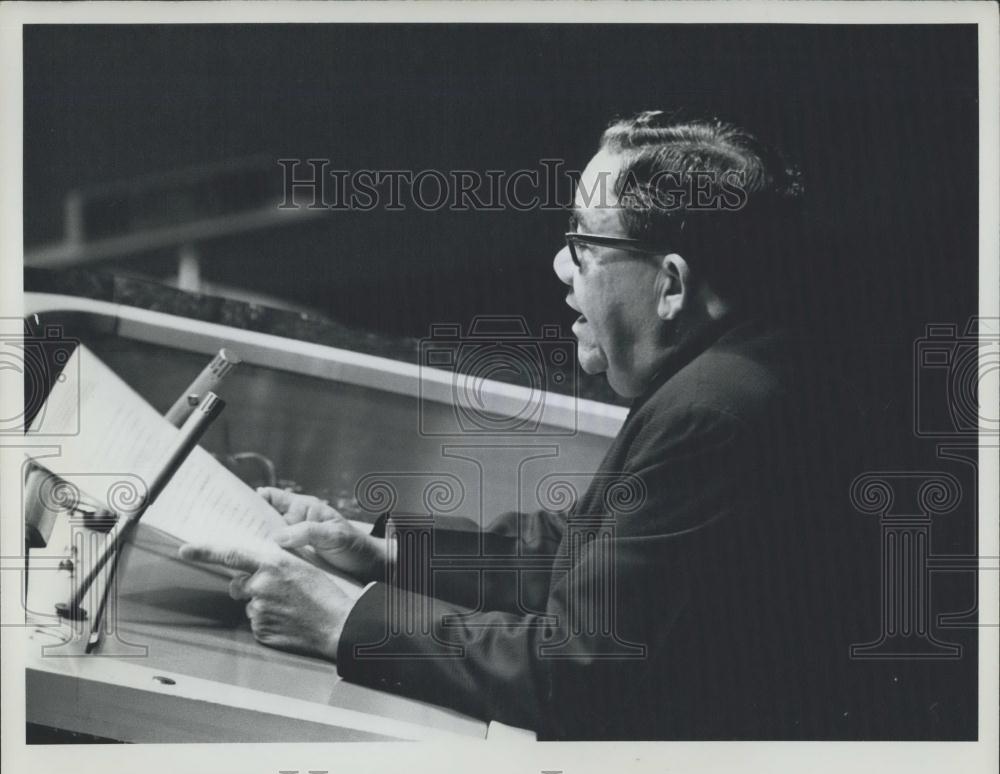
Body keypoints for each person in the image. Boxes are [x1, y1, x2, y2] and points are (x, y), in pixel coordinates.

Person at [181, 112, 866, 740]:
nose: (561, 266)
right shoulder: (740, 367)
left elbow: (576, 668)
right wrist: (383, 555)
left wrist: (341, 619)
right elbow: (576, 553)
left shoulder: (712, 412)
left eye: (584, 241)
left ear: (673, 285)